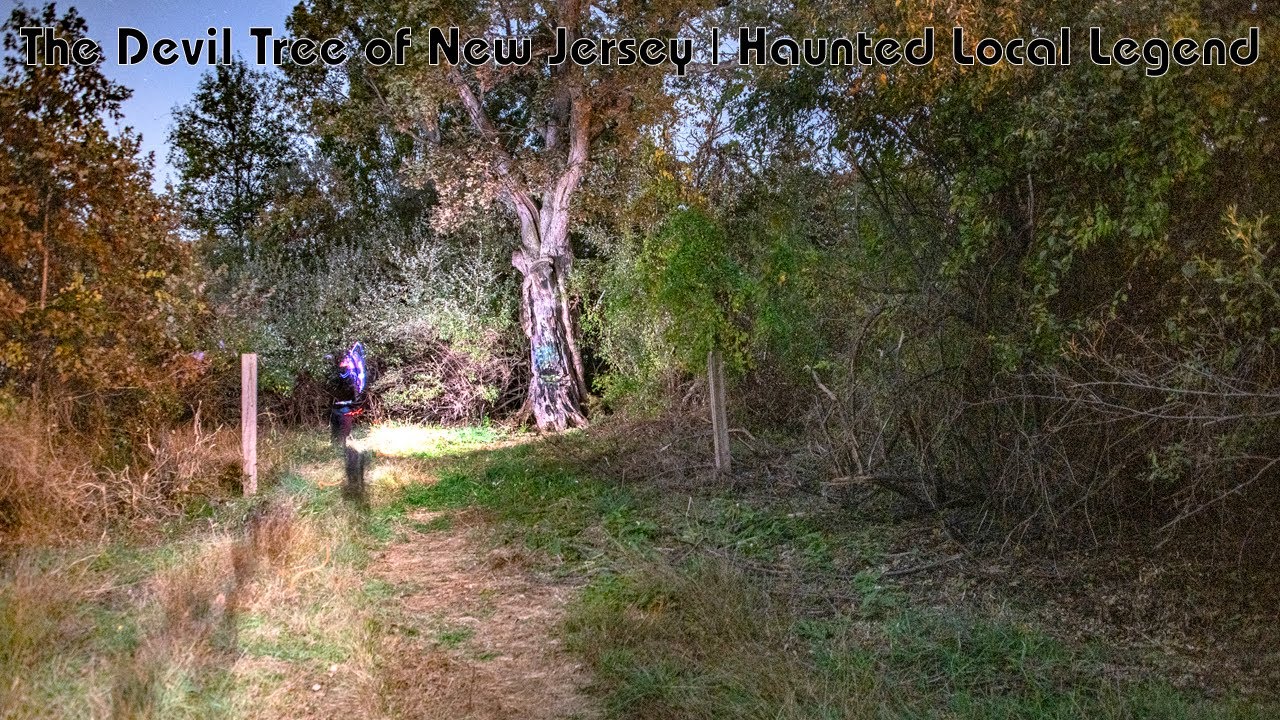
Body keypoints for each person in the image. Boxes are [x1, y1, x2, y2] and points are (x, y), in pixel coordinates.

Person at [329, 342, 366, 446]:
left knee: (341, 431)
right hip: (339, 407)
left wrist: (356, 405)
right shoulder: (341, 375)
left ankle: (339, 447)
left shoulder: (348, 376)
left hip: (344, 407)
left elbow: (354, 391)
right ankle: (337, 447)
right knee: (338, 431)